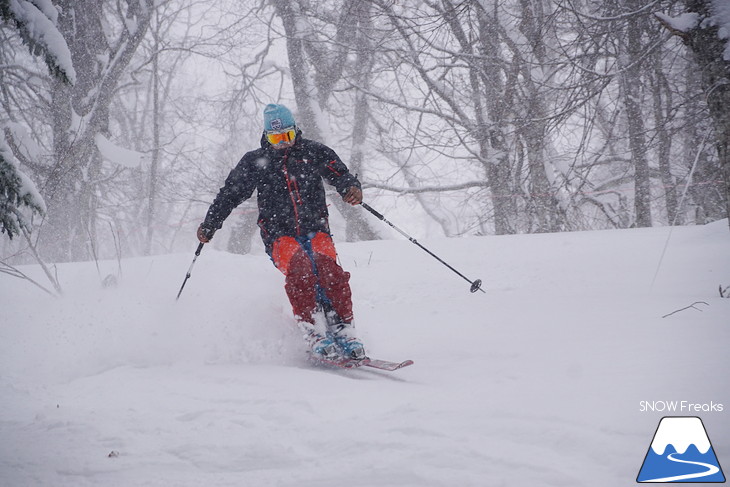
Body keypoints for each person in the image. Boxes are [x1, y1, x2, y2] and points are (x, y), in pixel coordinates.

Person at [197, 104, 366, 360]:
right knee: (301, 269)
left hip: (316, 230)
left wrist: (350, 188)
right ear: (266, 136)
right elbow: (229, 194)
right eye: (275, 138)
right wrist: (211, 223)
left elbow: (339, 174)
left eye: (286, 136)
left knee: (329, 270)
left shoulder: (313, 151)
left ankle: (344, 327)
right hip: (279, 235)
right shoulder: (255, 162)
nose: (282, 144)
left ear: (295, 131)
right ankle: (312, 330)